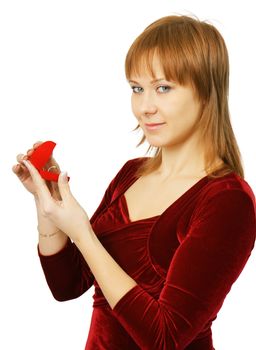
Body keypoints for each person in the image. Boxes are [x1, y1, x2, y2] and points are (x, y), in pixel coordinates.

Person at [12, 14, 256, 350]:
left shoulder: (228, 201)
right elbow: (67, 285)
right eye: (137, 89)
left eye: (163, 88)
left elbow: (165, 338)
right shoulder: (131, 174)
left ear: (205, 91)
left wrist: (82, 232)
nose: (144, 107)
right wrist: (47, 202)